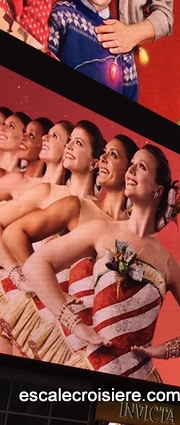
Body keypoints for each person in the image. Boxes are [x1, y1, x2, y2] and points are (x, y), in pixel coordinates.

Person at [24, 144, 180, 379]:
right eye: (131, 164)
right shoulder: (101, 230)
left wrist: (163, 350)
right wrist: (74, 324)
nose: (131, 170)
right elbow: (35, 265)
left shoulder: (167, 263)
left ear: (158, 191)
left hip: (139, 382)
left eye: (141, 167)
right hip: (91, 370)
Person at [1, 134, 137, 363]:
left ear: (129, 173)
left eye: (112, 155)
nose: (103, 158)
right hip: (32, 317)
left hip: (74, 340)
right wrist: (35, 280)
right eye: (103, 153)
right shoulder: (77, 206)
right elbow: (14, 232)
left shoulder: (130, 234)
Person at [0, 120, 71, 201]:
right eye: (48, 133)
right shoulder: (20, 181)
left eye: (54, 136)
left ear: (66, 149)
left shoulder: (67, 198)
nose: (44, 138)